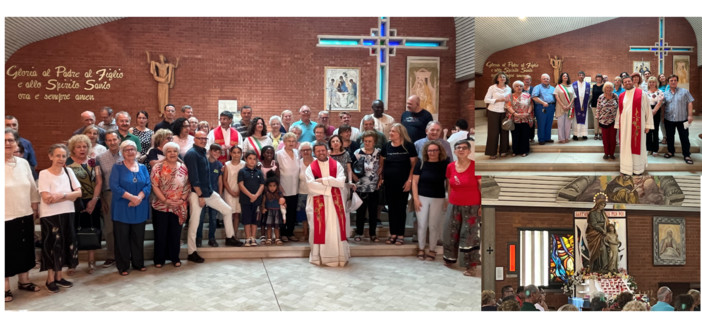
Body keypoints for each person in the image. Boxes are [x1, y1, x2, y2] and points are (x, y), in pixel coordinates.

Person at [185, 131, 243, 262]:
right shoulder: (192, 154)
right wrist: (200, 195)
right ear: (195, 139)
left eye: (205, 138)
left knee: (227, 210)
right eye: (200, 138)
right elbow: (193, 177)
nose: (203, 140)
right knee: (194, 223)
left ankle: (229, 238)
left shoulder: (202, 152)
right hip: (197, 193)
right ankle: (191, 251)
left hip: (209, 192)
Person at [38, 144, 80, 292]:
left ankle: (59, 277)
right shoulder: (44, 173)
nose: (61, 159)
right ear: (50, 156)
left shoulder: (69, 171)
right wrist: (68, 196)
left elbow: (79, 193)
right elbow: (46, 197)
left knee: (65, 244)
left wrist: (61, 196)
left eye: (63, 156)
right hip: (50, 215)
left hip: (68, 213)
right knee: (52, 246)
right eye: (57, 156)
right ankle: (50, 279)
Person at [5, 128, 41, 302]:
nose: (7, 144)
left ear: (17, 143)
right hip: (5, 216)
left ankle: (24, 281)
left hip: (25, 213)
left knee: (25, 249)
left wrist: (35, 207)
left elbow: (33, 188)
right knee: (6, 251)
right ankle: (5, 288)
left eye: (11, 140)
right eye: (3, 140)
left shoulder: (23, 163)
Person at [305, 143, 350, 266]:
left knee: (335, 228)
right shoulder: (311, 167)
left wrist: (324, 180)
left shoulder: (337, 165)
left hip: (335, 204)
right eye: (318, 151)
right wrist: (331, 187)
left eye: (323, 150)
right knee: (318, 229)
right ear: (315, 153)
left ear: (327, 151)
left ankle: (338, 256)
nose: (321, 153)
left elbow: (341, 182)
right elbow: (311, 185)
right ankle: (318, 257)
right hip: (317, 203)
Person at [109, 140, 150, 276]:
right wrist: (132, 198)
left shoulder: (143, 167)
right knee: (122, 239)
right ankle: (123, 265)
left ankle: (138, 263)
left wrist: (139, 197)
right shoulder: (117, 167)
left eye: (132, 149)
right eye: (127, 149)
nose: (130, 152)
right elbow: (114, 186)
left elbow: (148, 185)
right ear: (122, 152)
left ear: (136, 151)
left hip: (140, 207)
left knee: (138, 238)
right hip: (123, 208)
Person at [443, 139, 481, 276]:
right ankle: (450, 259)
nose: (461, 150)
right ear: (454, 151)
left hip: (472, 206)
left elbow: (482, 187)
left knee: (469, 235)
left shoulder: (476, 166)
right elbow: (449, 184)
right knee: (451, 232)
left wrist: (482, 205)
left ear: (469, 151)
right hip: (454, 204)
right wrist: (448, 200)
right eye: (458, 147)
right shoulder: (450, 167)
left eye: (464, 148)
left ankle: (471, 266)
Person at [66, 135, 103, 274]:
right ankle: (72, 262)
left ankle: (91, 261)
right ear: (73, 149)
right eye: (78, 147)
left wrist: (94, 200)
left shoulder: (94, 162)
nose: (82, 149)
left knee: (92, 229)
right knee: (73, 230)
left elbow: (99, 182)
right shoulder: (67, 162)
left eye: (85, 146)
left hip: (92, 200)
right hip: (73, 201)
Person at [150, 141, 190, 268]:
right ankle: (159, 259)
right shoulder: (158, 167)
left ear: (178, 153)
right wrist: (165, 200)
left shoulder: (183, 167)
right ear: (164, 153)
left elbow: (187, 185)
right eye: (169, 151)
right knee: (160, 234)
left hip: (178, 206)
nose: (172, 153)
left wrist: (182, 199)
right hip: (161, 205)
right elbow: (154, 185)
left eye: (175, 151)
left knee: (175, 234)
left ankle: (174, 257)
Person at [381, 123, 417, 246]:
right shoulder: (386, 146)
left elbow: (413, 165)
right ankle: (393, 234)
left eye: (393, 131)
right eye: (390, 131)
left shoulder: (409, 146)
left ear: (401, 133)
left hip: (403, 183)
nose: (390, 133)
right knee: (391, 209)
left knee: (401, 209)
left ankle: (400, 234)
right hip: (389, 183)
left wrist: (409, 180)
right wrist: (381, 177)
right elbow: (382, 165)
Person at [412, 140, 449, 261]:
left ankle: (432, 249)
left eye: (434, 150)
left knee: (434, 225)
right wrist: (416, 199)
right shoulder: (421, 162)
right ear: (426, 151)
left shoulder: (445, 163)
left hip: (438, 197)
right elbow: (414, 182)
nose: (432, 153)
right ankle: (421, 248)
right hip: (422, 196)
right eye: (430, 150)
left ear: (439, 151)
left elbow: (448, 182)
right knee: (422, 224)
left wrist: (447, 197)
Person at [615, 75, 654, 175]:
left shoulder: (641, 93)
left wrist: (648, 125)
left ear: (632, 82)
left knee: (638, 145)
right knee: (625, 146)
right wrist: (618, 124)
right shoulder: (621, 95)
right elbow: (619, 111)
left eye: (629, 81)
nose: (627, 83)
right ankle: (625, 169)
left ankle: (638, 169)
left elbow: (647, 109)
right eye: (625, 82)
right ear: (623, 85)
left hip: (638, 125)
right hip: (624, 126)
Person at [95, 131, 123, 268]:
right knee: (110, 228)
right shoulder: (100, 158)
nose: (112, 142)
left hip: (126, 195)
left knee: (125, 226)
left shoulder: (128, 154)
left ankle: (124, 254)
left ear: (119, 140)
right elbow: (98, 180)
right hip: (109, 194)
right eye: (109, 140)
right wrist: (102, 199)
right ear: (105, 142)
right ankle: (111, 255)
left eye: (114, 139)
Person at [352, 131, 382, 243]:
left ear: (374, 142)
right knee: (361, 211)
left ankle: (372, 234)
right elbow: (351, 167)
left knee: (373, 212)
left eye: (370, 141)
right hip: (361, 187)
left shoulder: (378, 153)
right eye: (365, 141)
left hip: (374, 187)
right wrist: (355, 180)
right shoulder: (357, 153)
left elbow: (382, 167)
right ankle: (359, 232)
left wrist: (381, 178)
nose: (367, 143)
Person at [196, 144, 224, 247]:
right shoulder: (204, 163)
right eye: (214, 151)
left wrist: (219, 195)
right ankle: (198, 238)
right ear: (210, 151)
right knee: (201, 218)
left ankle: (211, 238)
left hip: (214, 194)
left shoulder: (219, 165)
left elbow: (220, 182)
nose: (216, 154)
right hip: (203, 194)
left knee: (213, 218)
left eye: (219, 152)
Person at [663, 74, 695, 164]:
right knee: (670, 137)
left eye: (675, 80)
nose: (673, 82)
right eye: (671, 81)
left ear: (677, 81)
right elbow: (663, 106)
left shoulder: (684, 92)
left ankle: (686, 155)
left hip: (683, 119)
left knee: (684, 137)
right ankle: (670, 152)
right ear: (668, 82)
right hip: (669, 119)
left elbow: (690, 103)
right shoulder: (665, 93)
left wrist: (690, 115)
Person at [276, 133, 300, 242]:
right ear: (284, 142)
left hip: (295, 187)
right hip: (283, 187)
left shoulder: (297, 152)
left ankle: (290, 232)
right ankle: (282, 233)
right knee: (283, 212)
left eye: (293, 141)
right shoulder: (279, 154)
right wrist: (278, 186)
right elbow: (276, 171)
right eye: (289, 141)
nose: (291, 143)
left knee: (292, 212)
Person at [238, 150, 265, 247]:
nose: (252, 161)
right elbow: (241, 185)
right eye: (250, 158)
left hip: (257, 200)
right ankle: (247, 237)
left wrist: (256, 195)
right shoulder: (242, 171)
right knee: (246, 219)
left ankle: (253, 237)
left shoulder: (259, 172)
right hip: (246, 199)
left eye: (254, 159)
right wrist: (250, 195)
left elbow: (262, 185)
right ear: (245, 159)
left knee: (254, 219)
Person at [484, 72, 511, 158]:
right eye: (500, 77)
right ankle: (492, 152)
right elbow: (486, 100)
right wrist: (499, 100)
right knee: (493, 132)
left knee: (504, 131)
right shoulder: (492, 88)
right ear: (497, 79)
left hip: (505, 112)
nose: (502, 78)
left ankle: (504, 150)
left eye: (504, 77)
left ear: (506, 79)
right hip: (493, 111)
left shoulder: (509, 88)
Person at [222, 146, 245, 240]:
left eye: (238, 152)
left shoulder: (244, 164)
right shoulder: (227, 165)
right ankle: (229, 234)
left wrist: (240, 191)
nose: (236, 155)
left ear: (241, 154)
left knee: (237, 214)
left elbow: (245, 179)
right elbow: (225, 180)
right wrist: (231, 192)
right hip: (229, 192)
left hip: (240, 191)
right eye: (234, 152)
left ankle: (234, 234)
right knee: (229, 213)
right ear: (230, 153)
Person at [506, 80, 532, 156]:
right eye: (517, 86)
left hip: (525, 118)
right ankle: (515, 151)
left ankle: (525, 151)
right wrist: (515, 114)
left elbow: (531, 105)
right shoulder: (510, 96)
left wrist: (528, 113)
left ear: (523, 87)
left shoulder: (527, 95)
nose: (519, 87)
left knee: (525, 136)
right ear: (513, 87)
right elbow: (508, 106)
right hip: (515, 118)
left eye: (521, 86)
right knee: (515, 135)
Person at [586, 193, 609, 272]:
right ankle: (596, 267)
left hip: (603, 234)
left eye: (604, 205)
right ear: (598, 205)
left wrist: (607, 230)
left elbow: (607, 223)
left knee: (604, 250)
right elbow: (594, 224)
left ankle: (603, 267)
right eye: (602, 205)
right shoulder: (592, 213)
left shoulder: (603, 214)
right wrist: (602, 230)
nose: (603, 207)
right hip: (595, 233)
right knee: (596, 250)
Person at [596, 82, 619, 160]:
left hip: (613, 120)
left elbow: (619, 108)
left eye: (610, 87)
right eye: (607, 87)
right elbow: (598, 109)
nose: (608, 89)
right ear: (604, 88)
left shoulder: (615, 96)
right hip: (603, 120)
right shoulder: (601, 97)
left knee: (612, 139)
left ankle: (612, 153)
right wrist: (597, 120)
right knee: (605, 139)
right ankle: (606, 153)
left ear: (612, 88)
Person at [532, 73, 556, 145]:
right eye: (544, 79)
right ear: (541, 79)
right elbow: (534, 97)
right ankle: (541, 139)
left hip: (551, 107)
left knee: (549, 123)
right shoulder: (537, 87)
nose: (546, 80)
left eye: (547, 79)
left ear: (549, 80)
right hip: (541, 107)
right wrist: (542, 102)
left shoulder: (553, 88)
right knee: (541, 123)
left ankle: (547, 138)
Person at [262, 176, 286, 245]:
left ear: (277, 186)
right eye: (270, 186)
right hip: (269, 212)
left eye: (274, 186)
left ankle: (277, 238)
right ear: (267, 186)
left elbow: (283, 202)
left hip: (277, 212)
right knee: (269, 226)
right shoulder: (266, 194)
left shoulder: (279, 194)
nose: (272, 188)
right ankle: (269, 238)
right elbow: (263, 202)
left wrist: (284, 204)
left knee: (277, 226)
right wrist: (263, 208)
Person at [297, 142, 313, 241]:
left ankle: (314, 234)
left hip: (314, 193)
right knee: (304, 216)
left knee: (314, 215)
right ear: (300, 152)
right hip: (302, 192)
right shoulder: (298, 162)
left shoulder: (316, 161)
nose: (306, 152)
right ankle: (305, 233)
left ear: (311, 151)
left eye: (308, 150)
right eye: (303, 150)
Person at [645, 77, 665, 156]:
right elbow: (644, 103)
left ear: (656, 83)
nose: (651, 84)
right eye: (650, 82)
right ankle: (648, 148)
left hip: (656, 111)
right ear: (648, 83)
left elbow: (660, 102)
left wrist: (654, 111)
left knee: (655, 130)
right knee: (648, 130)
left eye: (653, 82)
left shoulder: (660, 92)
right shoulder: (645, 92)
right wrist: (649, 112)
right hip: (647, 111)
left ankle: (655, 149)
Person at [554, 72, 574, 143]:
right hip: (560, 107)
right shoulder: (558, 86)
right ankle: (561, 138)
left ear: (568, 77)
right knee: (561, 124)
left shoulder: (571, 86)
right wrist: (563, 105)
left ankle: (567, 137)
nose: (565, 77)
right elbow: (556, 96)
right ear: (561, 77)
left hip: (569, 108)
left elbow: (573, 97)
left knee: (568, 124)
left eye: (566, 76)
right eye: (564, 76)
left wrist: (569, 105)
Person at [572, 71, 591, 140]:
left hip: (584, 104)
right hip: (576, 103)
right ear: (578, 76)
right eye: (579, 75)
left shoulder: (588, 85)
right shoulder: (574, 84)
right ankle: (575, 134)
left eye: (582, 75)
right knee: (576, 119)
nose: (581, 76)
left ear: (584, 76)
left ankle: (584, 134)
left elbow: (588, 95)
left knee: (585, 118)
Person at [589, 74, 605, 140]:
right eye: (597, 78)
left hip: (602, 105)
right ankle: (596, 133)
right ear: (596, 79)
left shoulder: (604, 86)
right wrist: (589, 103)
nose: (598, 79)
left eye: (599, 78)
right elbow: (592, 96)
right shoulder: (594, 86)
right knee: (595, 119)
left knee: (601, 119)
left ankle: (601, 133)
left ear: (601, 79)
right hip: (594, 104)